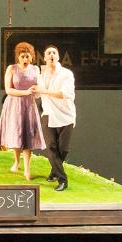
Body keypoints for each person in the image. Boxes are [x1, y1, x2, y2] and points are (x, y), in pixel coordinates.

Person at [0, 41, 46, 180]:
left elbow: (40, 88)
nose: (25, 59)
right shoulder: (11, 69)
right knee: (16, 134)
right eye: (22, 56)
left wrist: (37, 91)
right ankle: (16, 161)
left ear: (32, 57)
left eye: (27, 56)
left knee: (28, 136)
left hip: (29, 106)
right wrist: (25, 92)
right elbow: (8, 90)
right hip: (14, 105)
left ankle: (27, 169)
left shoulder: (36, 70)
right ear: (18, 57)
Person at [36, 44, 76, 191]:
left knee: (63, 149)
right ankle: (62, 180)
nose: (51, 55)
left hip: (66, 115)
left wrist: (44, 91)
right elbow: (38, 94)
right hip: (48, 114)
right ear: (45, 58)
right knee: (51, 148)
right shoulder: (41, 75)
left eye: (54, 52)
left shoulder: (66, 74)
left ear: (58, 57)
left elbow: (63, 94)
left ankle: (54, 171)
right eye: (48, 53)